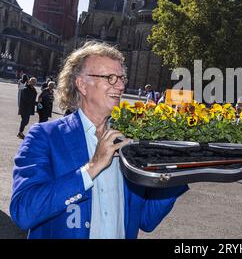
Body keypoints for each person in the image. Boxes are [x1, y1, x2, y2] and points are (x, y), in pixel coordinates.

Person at [10, 41, 188, 239]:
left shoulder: (131, 140)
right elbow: (23, 211)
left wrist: (177, 172)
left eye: (122, 78)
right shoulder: (45, 137)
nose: (121, 86)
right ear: (82, 84)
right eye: (110, 78)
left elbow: (145, 219)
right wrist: (92, 167)